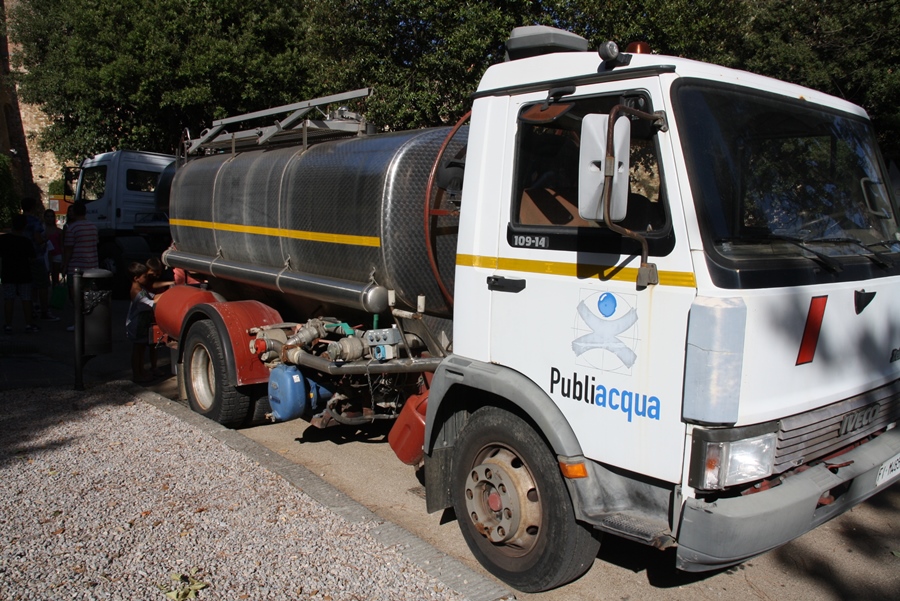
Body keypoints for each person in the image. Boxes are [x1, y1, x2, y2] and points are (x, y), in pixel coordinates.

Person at [61, 201, 99, 331]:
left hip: (76, 267)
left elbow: (68, 249)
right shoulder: (93, 227)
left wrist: (65, 265)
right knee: (89, 296)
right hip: (92, 266)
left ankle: (78, 323)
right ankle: (90, 322)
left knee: (76, 298)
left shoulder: (72, 228)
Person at [0, 214, 40, 333]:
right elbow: (33, 258)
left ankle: (8, 325)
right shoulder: (26, 241)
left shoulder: (3, 239)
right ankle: (29, 324)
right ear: (24, 226)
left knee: (9, 299)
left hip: (8, 272)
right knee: (26, 299)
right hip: (24, 273)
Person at [21, 197, 57, 321]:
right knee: (42, 285)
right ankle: (44, 311)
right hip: (36, 256)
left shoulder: (19, 221)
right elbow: (38, 238)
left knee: (29, 286)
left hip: (23, 257)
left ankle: (31, 309)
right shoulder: (35, 222)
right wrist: (44, 240)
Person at [125, 261, 160, 382]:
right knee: (137, 350)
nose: (147, 278)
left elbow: (153, 297)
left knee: (141, 349)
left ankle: (141, 370)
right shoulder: (136, 292)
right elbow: (151, 303)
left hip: (143, 323)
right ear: (136, 278)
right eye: (144, 276)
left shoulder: (142, 288)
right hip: (137, 324)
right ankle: (137, 374)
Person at [44, 209, 63, 286]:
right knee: (45, 277)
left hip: (56, 255)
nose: (50, 218)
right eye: (48, 216)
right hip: (45, 255)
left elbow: (61, 245)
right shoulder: (41, 230)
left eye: (51, 216)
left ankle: (55, 295)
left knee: (55, 278)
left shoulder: (59, 231)